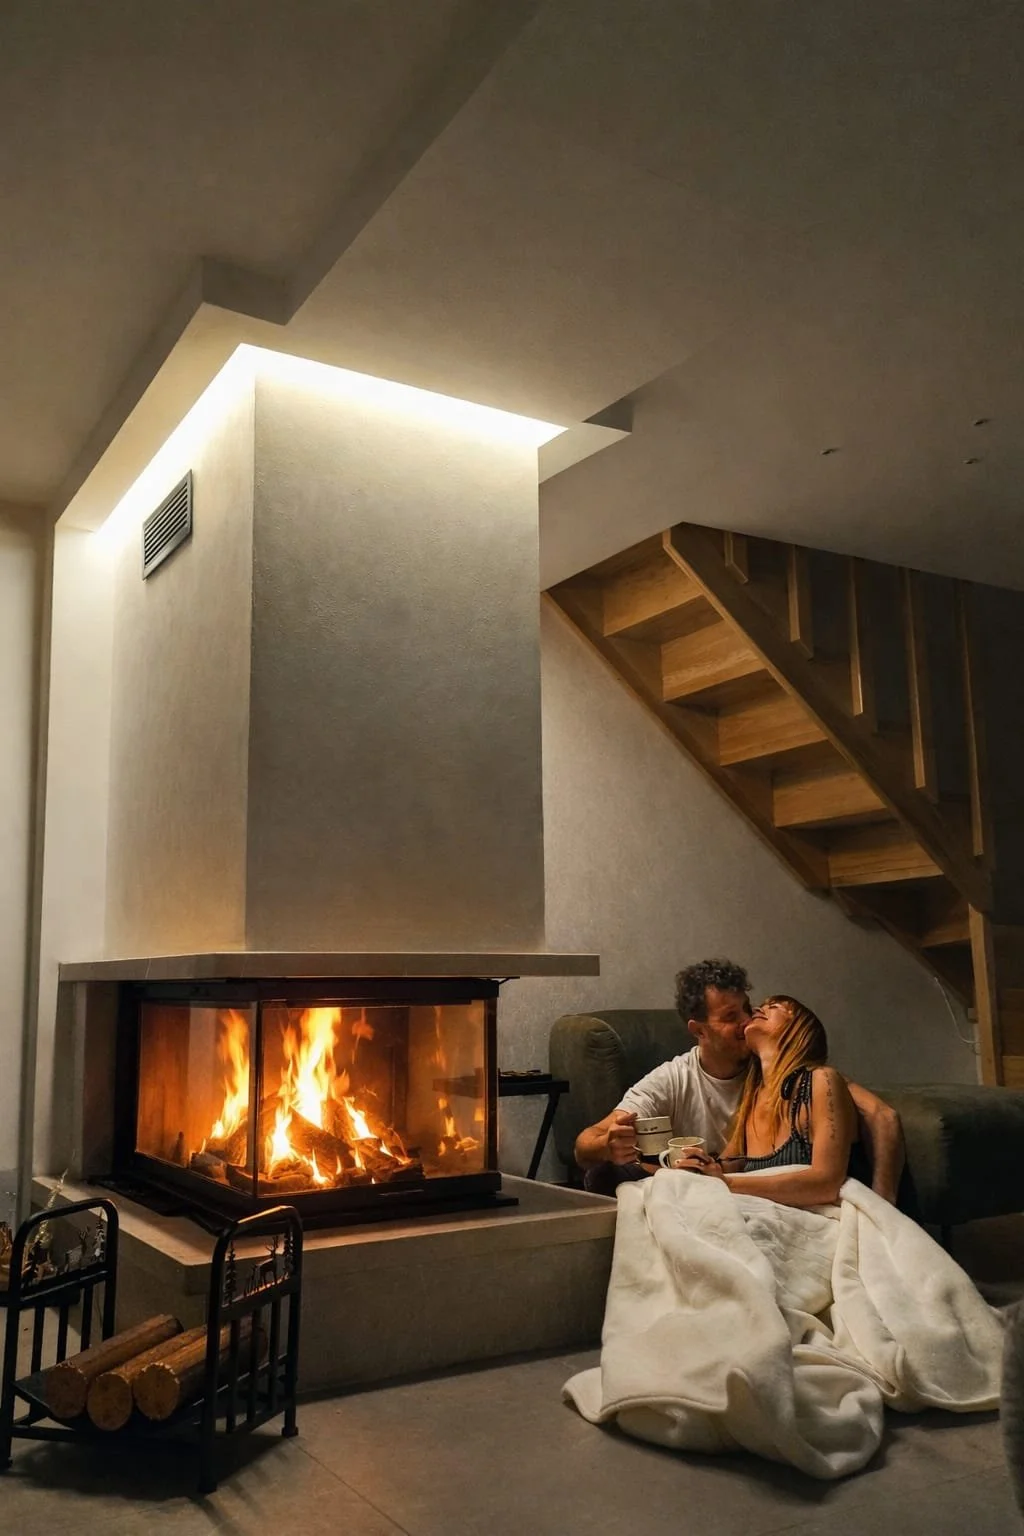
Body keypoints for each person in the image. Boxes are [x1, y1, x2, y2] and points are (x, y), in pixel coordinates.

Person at [574, 959, 904, 1202]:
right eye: (731, 1017)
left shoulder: (801, 1076)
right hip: (730, 1195)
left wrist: (883, 1210)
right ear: (698, 1030)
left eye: (748, 1008)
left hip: (757, 1199)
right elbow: (586, 1143)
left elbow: (882, 1116)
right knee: (611, 1176)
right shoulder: (675, 1079)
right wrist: (608, 1146)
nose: (747, 1020)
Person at [672, 994, 855, 1207]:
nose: (758, 1009)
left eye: (773, 1006)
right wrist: (700, 1166)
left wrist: (725, 1183)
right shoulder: (751, 1096)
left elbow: (826, 1183)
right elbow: (726, 1166)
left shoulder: (819, 1080)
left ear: (797, 1028)